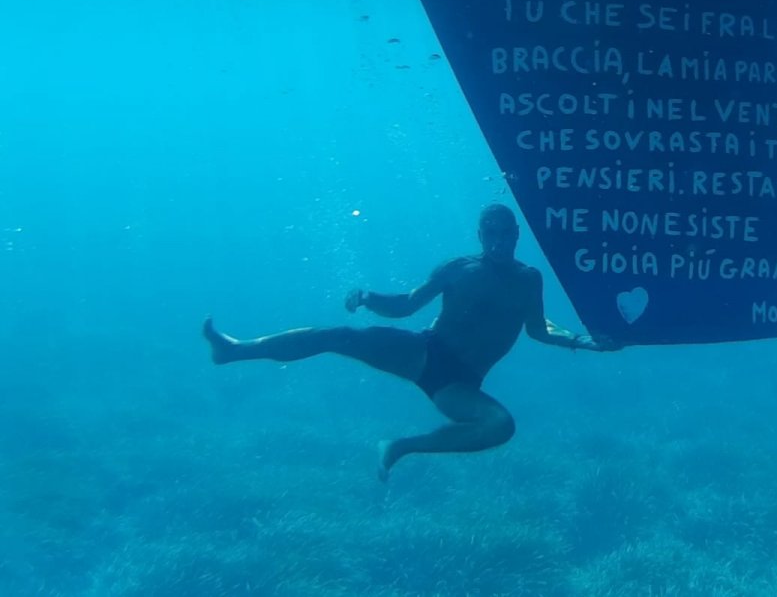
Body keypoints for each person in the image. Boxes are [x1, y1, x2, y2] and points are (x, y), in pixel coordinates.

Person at [202, 203, 619, 481]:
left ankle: (401, 447)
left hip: (460, 383)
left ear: (516, 235)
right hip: (424, 352)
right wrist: (368, 297)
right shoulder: (459, 269)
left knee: (500, 426)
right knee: (339, 336)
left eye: (504, 234)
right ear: (479, 233)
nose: (497, 241)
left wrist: (584, 340)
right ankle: (235, 349)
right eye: (489, 233)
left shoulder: (530, 279)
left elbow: (539, 330)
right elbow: (405, 306)